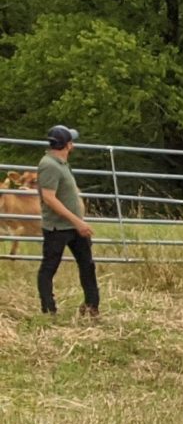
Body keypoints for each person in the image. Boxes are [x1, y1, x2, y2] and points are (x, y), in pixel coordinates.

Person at [35, 126, 98, 322]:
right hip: (57, 227)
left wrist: (79, 219)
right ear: (67, 145)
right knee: (49, 267)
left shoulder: (61, 163)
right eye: (72, 141)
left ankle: (92, 306)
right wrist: (77, 221)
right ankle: (49, 310)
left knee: (87, 265)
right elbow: (49, 198)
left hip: (74, 226)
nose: (74, 144)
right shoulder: (49, 165)